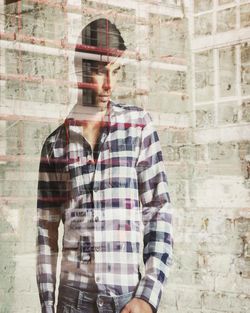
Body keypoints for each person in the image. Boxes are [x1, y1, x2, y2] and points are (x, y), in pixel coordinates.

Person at [36, 18, 173, 313]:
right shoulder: (54, 145)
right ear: (80, 69)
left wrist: (147, 296)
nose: (110, 85)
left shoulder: (138, 127)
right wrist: (48, 307)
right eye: (100, 72)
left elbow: (158, 211)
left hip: (125, 300)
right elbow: (46, 236)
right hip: (72, 303)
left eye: (117, 72)